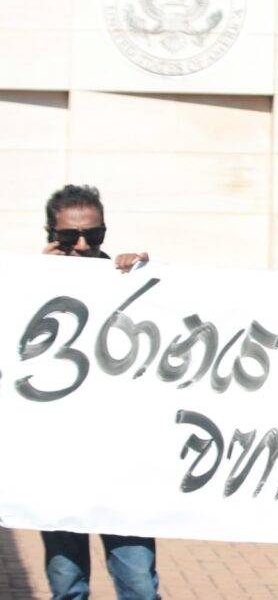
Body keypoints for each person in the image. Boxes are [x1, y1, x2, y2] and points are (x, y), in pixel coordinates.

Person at [39, 184, 158, 599]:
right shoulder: (25, 288)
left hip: (120, 461)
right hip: (55, 459)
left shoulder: (127, 281)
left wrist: (145, 276)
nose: (82, 245)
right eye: (69, 236)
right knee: (67, 583)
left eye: (93, 234)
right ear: (51, 234)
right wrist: (36, 279)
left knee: (139, 584)